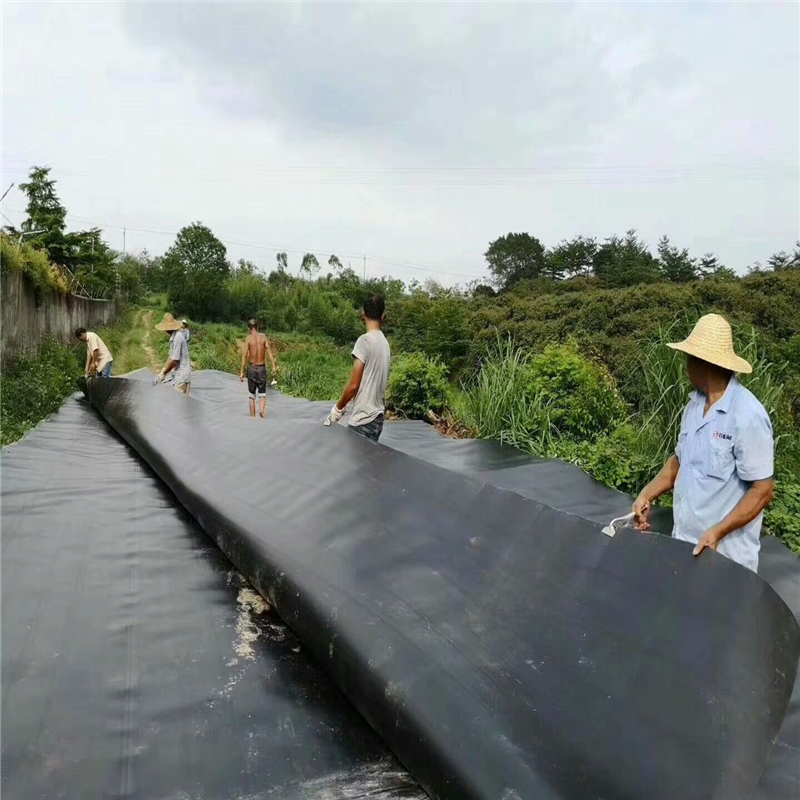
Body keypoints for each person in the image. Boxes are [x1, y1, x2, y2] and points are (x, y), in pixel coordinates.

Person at [633, 313, 774, 572]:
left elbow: (762, 490)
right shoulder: (694, 406)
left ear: (703, 363)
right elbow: (679, 461)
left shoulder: (747, 415)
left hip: (725, 559)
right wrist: (647, 493)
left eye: (688, 359)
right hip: (686, 546)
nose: (685, 366)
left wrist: (718, 531)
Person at [324, 293, 390, 442]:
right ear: (383, 316)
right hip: (378, 419)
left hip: (363, 420)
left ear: (363, 313)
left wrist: (338, 408)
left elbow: (354, 385)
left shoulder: (364, 341)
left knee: (353, 464)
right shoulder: (385, 343)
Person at [240, 318, 278, 418]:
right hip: (261, 369)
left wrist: (242, 372)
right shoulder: (263, 337)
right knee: (262, 394)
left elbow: (244, 356)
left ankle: (253, 417)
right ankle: (261, 410)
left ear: (249, 329)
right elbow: (269, 353)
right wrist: (274, 367)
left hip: (252, 369)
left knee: (251, 396)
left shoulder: (248, 339)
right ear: (257, 327)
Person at [155, 313, 192, 395]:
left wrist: (164, 373)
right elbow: (170, 357)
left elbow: (174, 360)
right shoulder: (173, 337)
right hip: (178, 374)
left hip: (182, 375)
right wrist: (163, 370)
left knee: (179, 403)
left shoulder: (178, 337)